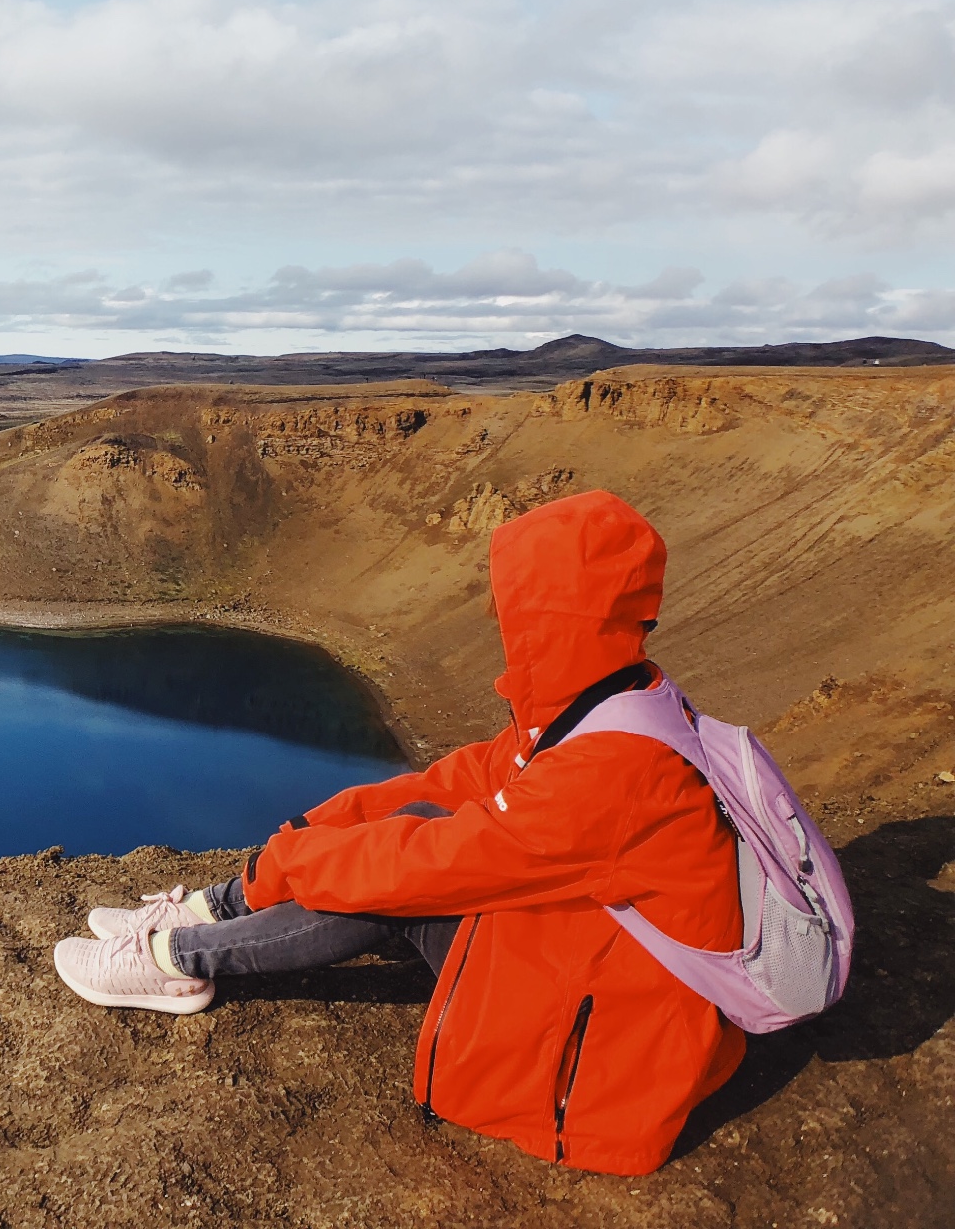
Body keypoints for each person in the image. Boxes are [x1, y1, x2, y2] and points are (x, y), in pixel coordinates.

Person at [54, 489, 745, 1176]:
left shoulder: (613, 769)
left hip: (615, 1056)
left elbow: (427, 865)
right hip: (614, 973)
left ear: (555, 617)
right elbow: (460, 782)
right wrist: (313, 828)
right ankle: (215, 909)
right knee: (400, 836)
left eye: (516, 603)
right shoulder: (620, 701)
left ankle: (178, 961)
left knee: (392, 888)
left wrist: (295, 859)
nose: (500, 618)